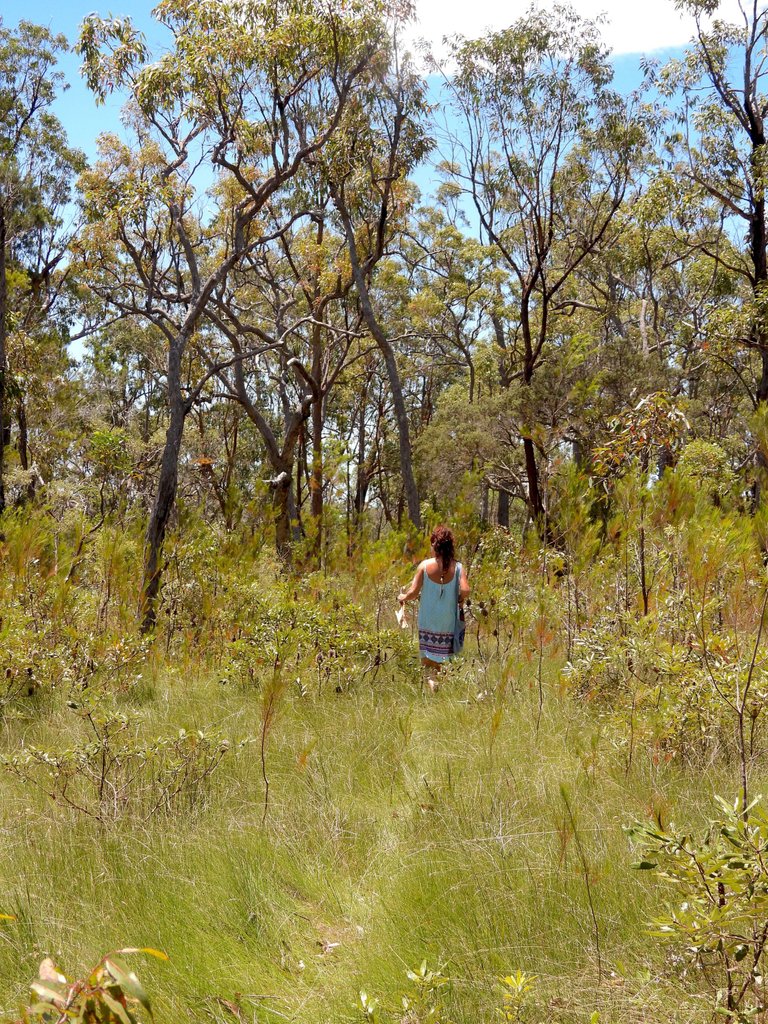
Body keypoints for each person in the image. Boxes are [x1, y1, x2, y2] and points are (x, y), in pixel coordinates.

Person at [398, 525, 470, 692]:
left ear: (435, 546)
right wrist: (460, 598)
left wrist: (402, 597)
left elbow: (413, 593)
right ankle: (435, 685)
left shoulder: (424, 566)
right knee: (441, 661)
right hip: (447, 621)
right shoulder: (458, 568)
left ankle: (431, 685)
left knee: (427, 660)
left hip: (428, 620)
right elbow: (466, 590)